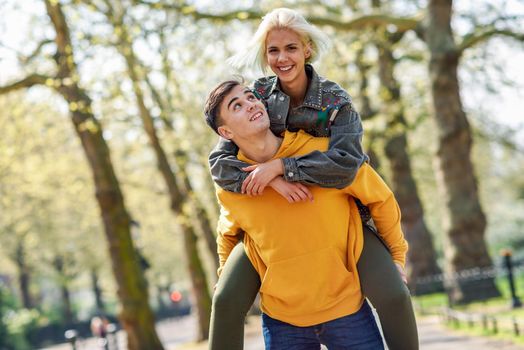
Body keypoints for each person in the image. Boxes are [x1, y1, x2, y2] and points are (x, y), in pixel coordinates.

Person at [207, 8, 418, 350]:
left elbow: (348, 164)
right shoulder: (258, 94)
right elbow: (219, 161)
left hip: (337, 205)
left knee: (395, 292)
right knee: (225, 297)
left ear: (306, 49)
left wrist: (281, 168)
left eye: (291, 48)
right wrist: (268, 179)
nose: (282, 58)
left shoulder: (335, 102)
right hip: (269, 227)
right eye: (273, 51)